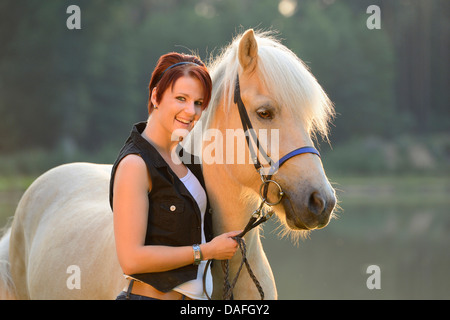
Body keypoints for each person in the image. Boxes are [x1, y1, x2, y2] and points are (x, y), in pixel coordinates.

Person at [109, 52, 240, 300]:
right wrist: (206, 251)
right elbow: (131, 260)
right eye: (181, 98)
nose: (191, 111)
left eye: (198, 103)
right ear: (156, 96)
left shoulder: (189, 161)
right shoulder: (135, 165)